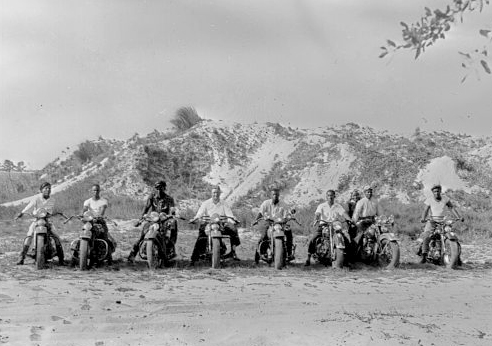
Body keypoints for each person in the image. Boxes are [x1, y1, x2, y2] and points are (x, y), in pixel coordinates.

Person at [14, 182, 65, 265]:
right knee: (29, 235)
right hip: (37, 220)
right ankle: (21, 257)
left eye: (49, 188)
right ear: (41, 190)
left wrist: (51, 214)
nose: (47, 190)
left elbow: (50, 210)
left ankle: (61, 257)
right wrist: (21, 213)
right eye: (45, 188)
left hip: (47, 220)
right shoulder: (36, 198)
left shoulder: (52, 199)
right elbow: (29, 206)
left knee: (56, 236)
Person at [189, 185, 241, 266]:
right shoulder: (206, 203)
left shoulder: (224, 203)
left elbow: (229, 214)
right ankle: (194, 258)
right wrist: (194, 219)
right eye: (214, 193)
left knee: (233, 229)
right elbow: (199, 214)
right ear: (211, 193)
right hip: (208, 223)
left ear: (220, 193)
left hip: (221, 223)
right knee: (201, 236)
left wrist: (234, 220)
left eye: (217, 193)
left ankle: (233, 252)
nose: (215, 194)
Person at [128, 180, 177, 262]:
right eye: (157, 188)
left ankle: (171, 248)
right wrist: (140, 220)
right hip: (153, 219)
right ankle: (131, 256)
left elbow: (172, 209)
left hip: (164, 219)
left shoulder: (169, 199)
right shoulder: (152, 197)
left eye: (160, 188)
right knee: (143, 235)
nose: (158, 190)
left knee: (172, 226)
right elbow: (146, 208)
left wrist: (172, 214)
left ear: (164, 188)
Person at [305, 189, 352, 266]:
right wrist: (316, 219)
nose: (330, 197)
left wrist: (349, 219)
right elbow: (317, 214)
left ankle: (347, 259)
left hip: (335, 225)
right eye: (328, 195)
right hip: (324, 225)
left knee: (346, 238)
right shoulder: (321, 206)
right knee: (314, 238)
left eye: (332, 195)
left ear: (334, 196)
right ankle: (308, 257)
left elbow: (344, 213)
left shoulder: (338, 206)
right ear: (326, 197)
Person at [419, 184, 463, 263]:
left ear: (440, 191)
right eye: (435, 191)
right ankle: (424, 256)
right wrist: (423, 218)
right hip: (432, 221)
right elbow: (425, 210)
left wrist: (459, 217)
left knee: (452, 236)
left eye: (438, 191)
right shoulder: (429, 200)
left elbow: (451, 207)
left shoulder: (445, 198)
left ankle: (457, 257)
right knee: (427, 236)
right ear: (432, 192)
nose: (436, 193)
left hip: (443, 221)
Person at [254, 186, 294, 261]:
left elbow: (288, 213)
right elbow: (260, 212)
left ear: (279, 195)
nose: (275, 196)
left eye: (277, 195)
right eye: (274, 195)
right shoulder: (266, 203)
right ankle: (259, 253)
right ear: (271, 195)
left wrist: (288, 217)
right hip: (269, 222)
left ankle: (289, 253)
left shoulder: (283, 204)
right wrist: (256, 220)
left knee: (289, 232)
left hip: (280, 223)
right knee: (264, 235)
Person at [81, 184, 116, 263]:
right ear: (91, 191)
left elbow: (102, 211)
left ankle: (109, 258)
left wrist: (99, 216)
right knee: (83, 234)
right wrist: (83, 216)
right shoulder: (87, 201)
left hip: (99, 221)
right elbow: (84, 211)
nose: (95, 192)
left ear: (99, 191)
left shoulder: (103, 201)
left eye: (97, 190)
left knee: (104, 236)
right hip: (89, 221)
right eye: (94, 190)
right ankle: (76, 256)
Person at [352, 185, 380, 250]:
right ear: (364, 193)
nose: (369, 193)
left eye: (370, 192)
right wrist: (354, 221)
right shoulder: (361, 201)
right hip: (363, 221)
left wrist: (382, 218)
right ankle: (354, 251)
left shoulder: (375, 201)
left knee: (378, 231)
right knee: (360, 234)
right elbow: (357, 212)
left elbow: (379, 211)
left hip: (373, 220)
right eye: (367, 192)